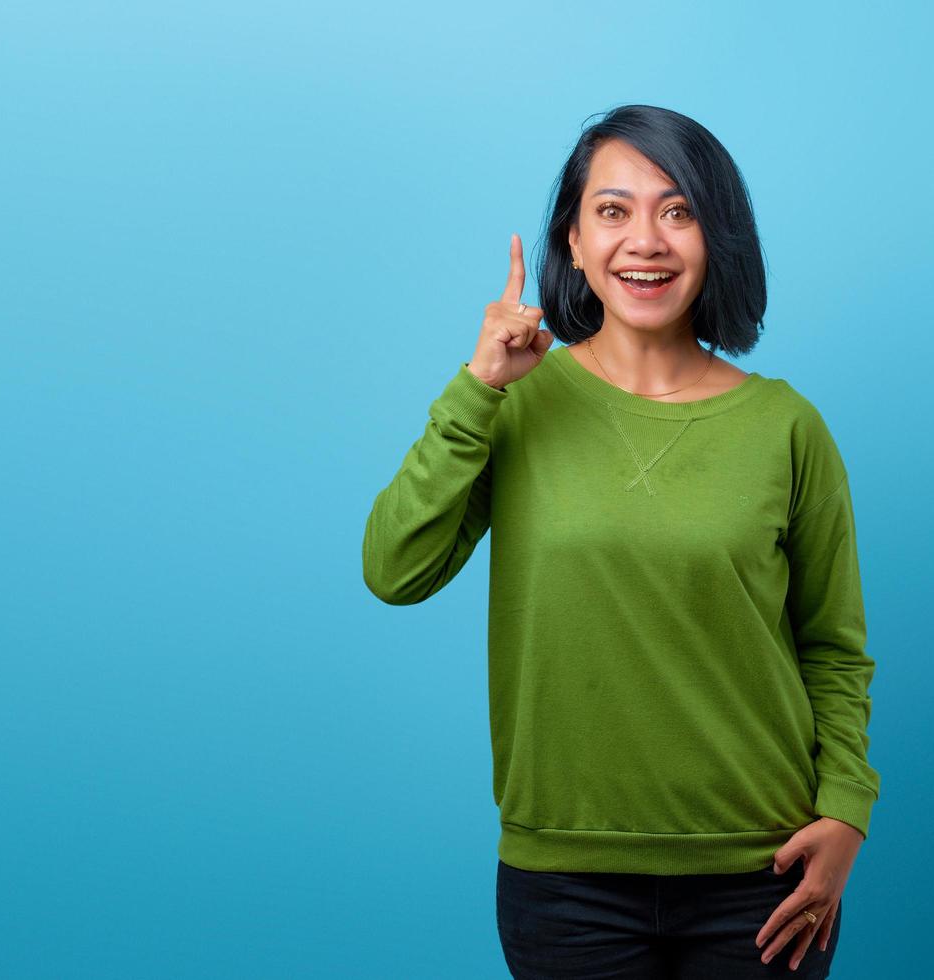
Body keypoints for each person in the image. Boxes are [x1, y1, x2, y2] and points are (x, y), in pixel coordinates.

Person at [362, 104, 879, 979]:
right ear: (571, 238)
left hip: (760, 872)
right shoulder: (513, 403)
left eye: (677, 211)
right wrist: (475, 389)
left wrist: (847, 813)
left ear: (717, 237)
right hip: (564, 879)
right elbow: (394, 570)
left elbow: (831, 646)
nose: (646, 240)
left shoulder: (787, 427)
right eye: (613, 210)